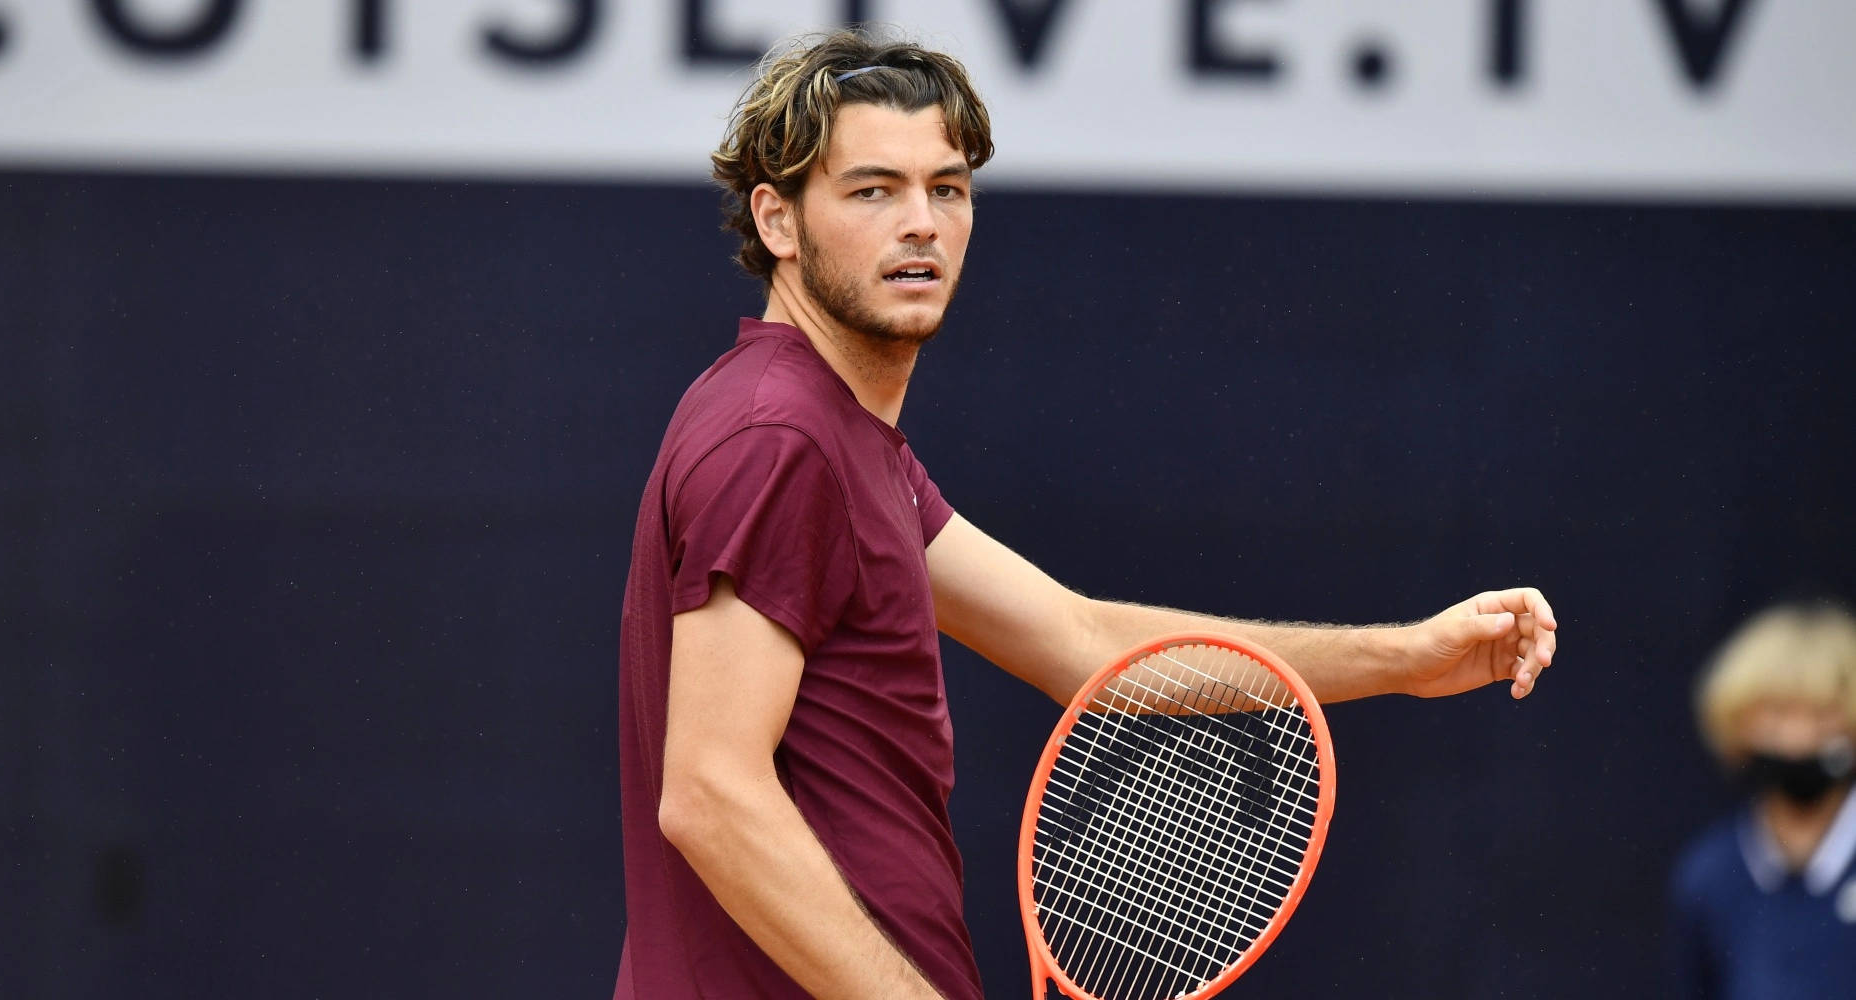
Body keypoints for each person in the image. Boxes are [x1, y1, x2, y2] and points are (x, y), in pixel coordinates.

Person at [614, 28, 1559, 1000]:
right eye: (871, 190)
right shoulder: (782, 436)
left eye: (946, 188)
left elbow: (1082, 642)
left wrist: (1408, 657)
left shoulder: (834, 440)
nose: (921, 224)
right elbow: (710, 794)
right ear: (777, 220)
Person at [1669, 601, 1856, 998]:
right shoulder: (1708, 876)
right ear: (1736, 726)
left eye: (1823, 713)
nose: (1798, 740)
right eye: (1777, 715)